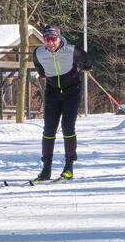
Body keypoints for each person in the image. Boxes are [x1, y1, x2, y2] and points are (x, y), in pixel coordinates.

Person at [32, 24, 93, 181]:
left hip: (72, 92)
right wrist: (42, 74)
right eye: (47, 39)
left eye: (53, 39)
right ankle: (46, 169)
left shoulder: (72, 50)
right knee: (48, 130)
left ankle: (68, 167)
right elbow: (38, 65)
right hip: (52, 92)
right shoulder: (39, 52)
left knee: (67, 127)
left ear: (59, 38)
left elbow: (87, 59)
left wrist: (86, 68)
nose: (50, 42)